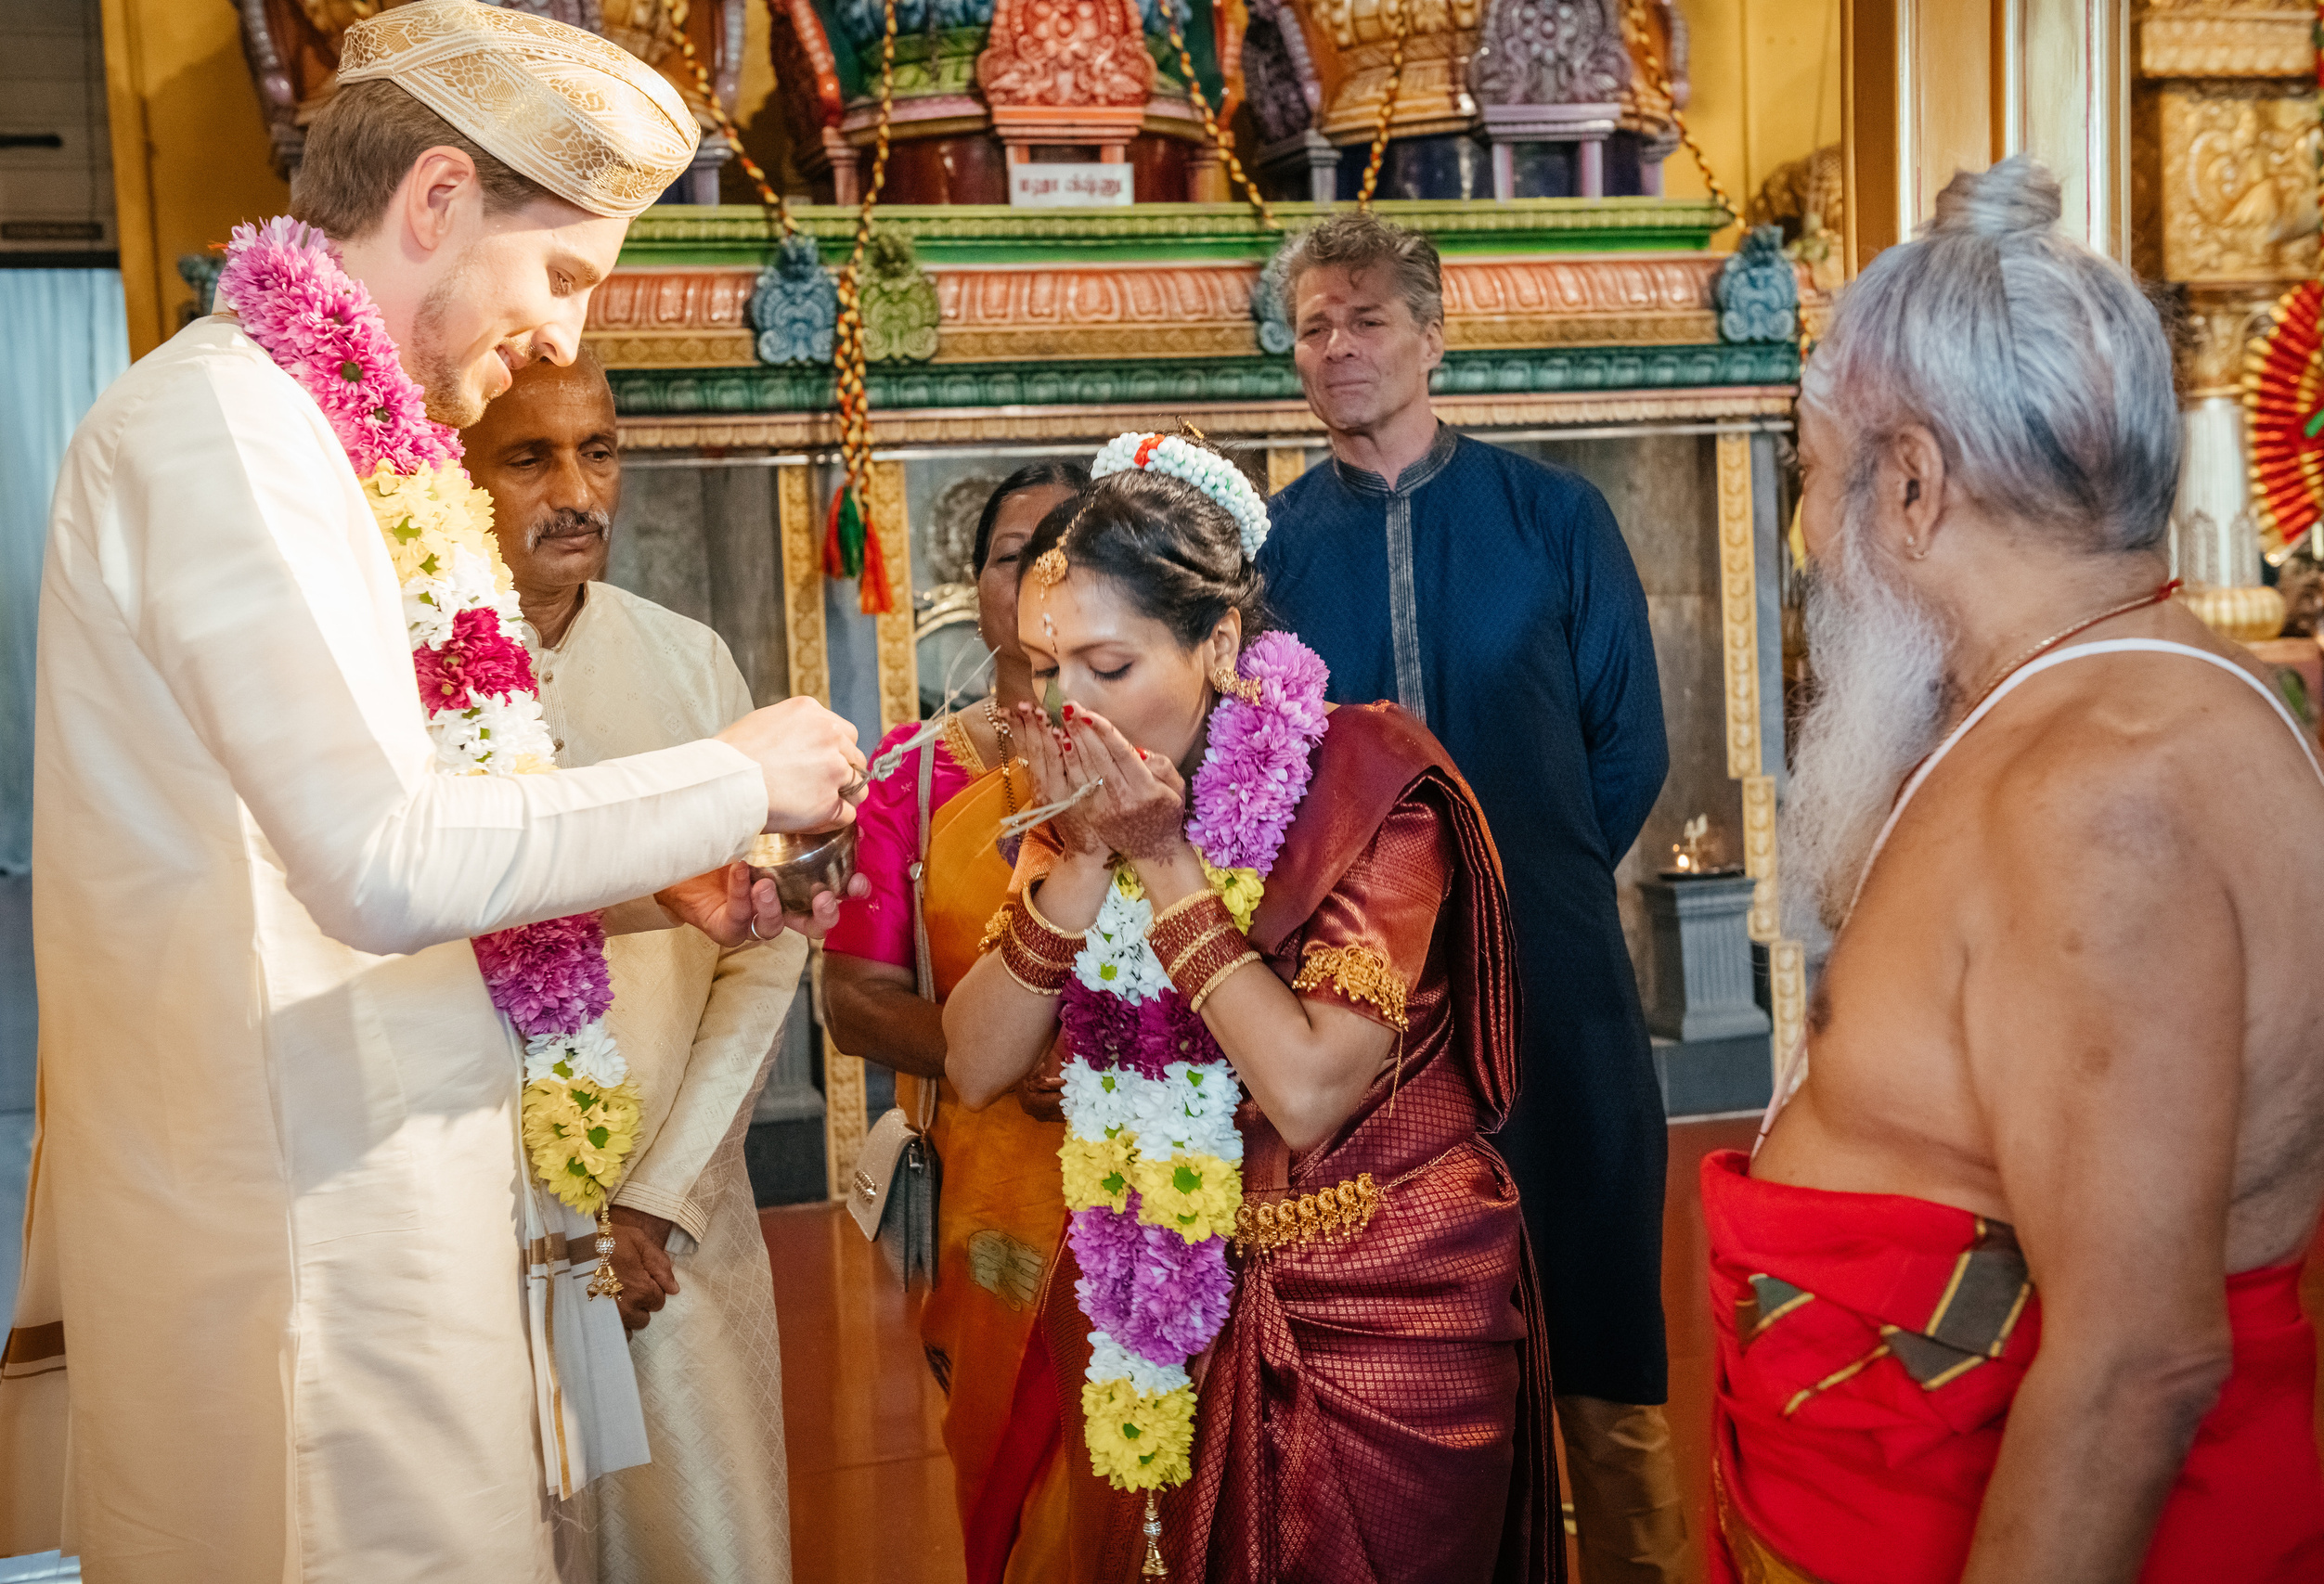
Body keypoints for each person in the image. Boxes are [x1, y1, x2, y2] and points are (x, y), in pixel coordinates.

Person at [0, 5, 867, 1578]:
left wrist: (645, 884)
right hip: (305, 1248)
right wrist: (731, 773)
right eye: (563, 274)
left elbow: (366, 828)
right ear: (440, 198)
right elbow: (379, 860)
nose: (562, 338)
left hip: (390, 1196)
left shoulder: (328, 440)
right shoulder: (224, 430)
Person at [1710, 157, 2324, 1583]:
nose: (1810, 539)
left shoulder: (2098, 794)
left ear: (1913, 484)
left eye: (1812, 476)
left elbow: (2139, 1361)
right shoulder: (2103, 701)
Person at [943, 440, 1564, 1583]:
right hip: (1161, 1301)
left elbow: (1308, 1089)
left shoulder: (1368, 788)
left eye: (1107, 665)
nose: (1068, 707)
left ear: (1221, 646)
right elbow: (974, 1066)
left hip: (1384, 1314)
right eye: (1043, 667)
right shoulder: (1083, 807)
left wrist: (1161, 861)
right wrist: (1082, 866)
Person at [1256, 212, 1681, 1581]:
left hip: (1558, 978)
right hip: (1360, 1011)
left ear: (1433, 338)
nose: (1339, 345)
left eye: (1367, 318)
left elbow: (1628, 747)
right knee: (1411, 1323)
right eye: (1315, 325)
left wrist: (1520, 890)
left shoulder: (1554, 519)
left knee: (1600, 1289)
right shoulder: (1268, 553)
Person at [459, 350, 809, 1584]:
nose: (576, 492)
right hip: (474, 1229)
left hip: (674, 1223)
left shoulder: (689, 665)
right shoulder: (394, 685)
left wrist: (653, 1201)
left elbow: (763, 944)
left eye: (598, 451)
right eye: (529, 457)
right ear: (452, 470)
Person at [822, 462, 1086, 1584]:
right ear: (975, 591)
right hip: (994, 1203)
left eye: (1074, 554)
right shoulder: (913, 778)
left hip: (1178, 1193)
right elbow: (851, 1001)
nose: (1043, 582)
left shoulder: (1187, 762)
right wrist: (998, 1046)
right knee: (1023, 1504)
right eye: (1015, 557)